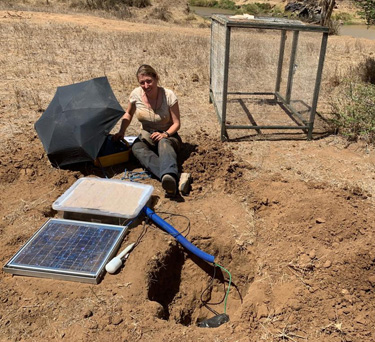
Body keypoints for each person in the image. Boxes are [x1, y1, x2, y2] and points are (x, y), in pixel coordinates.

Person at [114, 64, 182, 196]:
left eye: (149, 81)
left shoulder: (168, 95)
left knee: (164, 143)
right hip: (147, 137)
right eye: (142, 83)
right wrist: (121, 131)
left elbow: (177, 123)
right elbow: (128, 114)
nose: (146, 86)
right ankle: (170, 176)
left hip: (169, 136)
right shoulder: (135, 95)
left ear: (156, 78)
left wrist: (165, 134)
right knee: (136, 148)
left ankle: (169, 175)